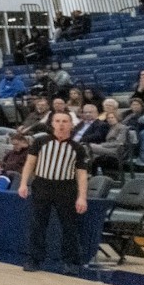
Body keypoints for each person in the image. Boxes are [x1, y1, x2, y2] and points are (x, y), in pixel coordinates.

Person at [18, 110, 90, 272]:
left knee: (69, 226)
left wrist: (82, 197)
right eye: (57, 121)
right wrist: (23, 184)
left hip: (66, 188)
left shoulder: (78, 148)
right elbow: (29, 164)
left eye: (65, 121)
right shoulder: (40, 142)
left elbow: (82, 174)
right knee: (38, 224)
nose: (61, 124)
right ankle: (34, 259)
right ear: (52, 124)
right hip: (42, 186)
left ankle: (70, 262)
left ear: (71, 125)